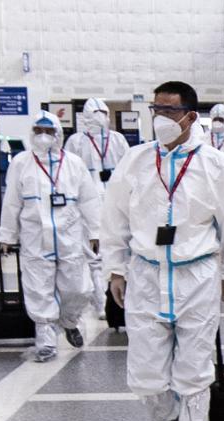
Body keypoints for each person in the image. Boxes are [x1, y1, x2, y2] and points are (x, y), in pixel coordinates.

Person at [102, 81, 224, 421]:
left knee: (195, 371)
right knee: (145, 372)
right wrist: (116, 269)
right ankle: (165, 412)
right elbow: (113, 219)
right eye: (156, 110)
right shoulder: (134, 160)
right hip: (146, 273)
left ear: (190, 116)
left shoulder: (214, 164)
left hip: (197, 274)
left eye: (169, 111)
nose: (161, 118)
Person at [0, 110, 100, 363]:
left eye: (49, 131)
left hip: (69, 234)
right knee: (38, 288)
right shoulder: (21, 162)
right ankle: (45, 339)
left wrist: (96, 231)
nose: (44, 136)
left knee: (78, 287)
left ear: (59, 134)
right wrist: (7, 235)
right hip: (35, 236)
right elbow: (11, 202)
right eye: (38, 131)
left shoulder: (73, 164)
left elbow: (89, 200)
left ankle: (69, 320)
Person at [65, 98, 131, 319]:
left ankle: (118, 299)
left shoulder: (118, 139)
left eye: (103, 111)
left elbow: (129, 168)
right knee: (93, 253)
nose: (100, 115)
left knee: (118, 247)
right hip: (86, 202)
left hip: (114, 198)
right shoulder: (76, 141)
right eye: (95, 112)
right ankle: (100, 303)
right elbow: (68, 172)